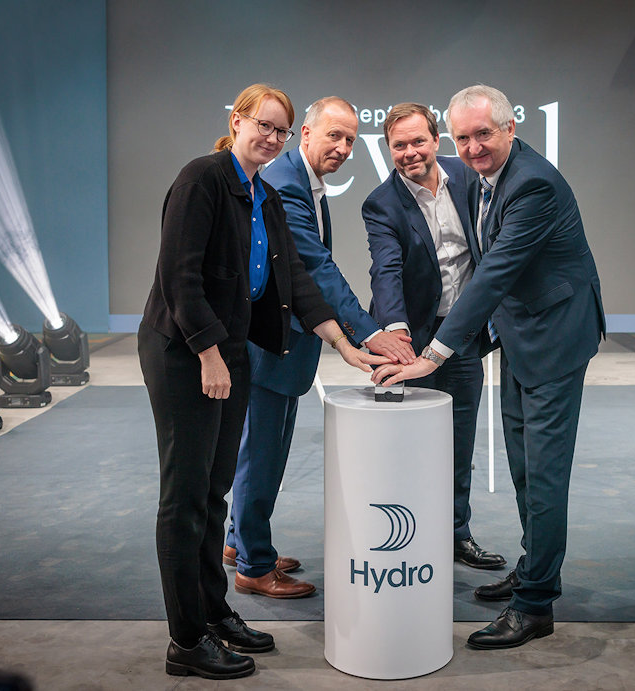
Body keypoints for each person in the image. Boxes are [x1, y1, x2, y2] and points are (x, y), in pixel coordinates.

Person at [139, 83, 386, 680]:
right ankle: (186, 640)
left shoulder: (264, 195)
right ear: (238, 120)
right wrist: (208, 354)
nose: (272, 138)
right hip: (184, 352)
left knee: (214, 492)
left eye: (281, 130)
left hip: (231, 350)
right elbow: (179, 276)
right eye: (264, 125)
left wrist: (346, 346)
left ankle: (215, 612)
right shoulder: (201, 179)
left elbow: (296, 282)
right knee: (185, 497)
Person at [373, 85, 606, 650]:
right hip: (520, 337)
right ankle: (533, 570)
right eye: (464, 137)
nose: (473, 147)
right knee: (524, 467)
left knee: (543, 474)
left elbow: (495, 272)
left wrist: (433, 354)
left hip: (554, 340)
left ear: (510, 129)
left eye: (484, 134)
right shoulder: (479, 177)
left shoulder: (532, 184)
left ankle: (535, 604)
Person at [224, 96, 414, 598]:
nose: (344, 147)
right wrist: (369, 332)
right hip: (272, 345)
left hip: (286, 343)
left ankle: (239, 541)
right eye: (334, 135)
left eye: (350, 139)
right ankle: (254, 565)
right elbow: (316, 268)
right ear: (305, 134)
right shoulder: (288, 183)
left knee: (261, 450)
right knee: (261, 455)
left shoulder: (302, 180)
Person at [362, 102, 506, 570]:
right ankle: (407, 539)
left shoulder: (467, 177)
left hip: (461, 337)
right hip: (410, 344)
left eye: (418, 141)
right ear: (388, 149)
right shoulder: (381, 204)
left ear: (436, 140)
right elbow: (385, 271)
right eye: (399, 145)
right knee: (406, 448)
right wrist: (397, 334)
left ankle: (456, 536)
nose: (410, 152)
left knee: (459, 443)